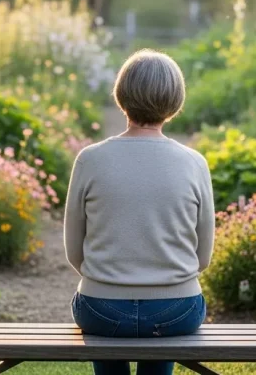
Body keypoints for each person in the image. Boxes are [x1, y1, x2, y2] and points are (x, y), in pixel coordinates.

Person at [64, 49, 215, 375]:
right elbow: (203, 258)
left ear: (122, 97)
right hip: (176, 309)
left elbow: (74, 252)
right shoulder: (194, 163)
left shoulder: (89, 160)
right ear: (175, 100)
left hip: (100, 307)